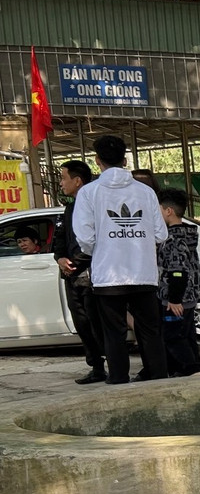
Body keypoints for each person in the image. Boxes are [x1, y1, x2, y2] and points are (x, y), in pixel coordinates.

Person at [72, 134, 169, 384]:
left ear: (97, 160)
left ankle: (117, 378)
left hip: (108, 275)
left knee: (113, 331)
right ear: (125, 160)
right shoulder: (146, 192)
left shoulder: (88, 193)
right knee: (149, 329)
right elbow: (160, 233)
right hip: (143, 272)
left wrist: (105, 248)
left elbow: (84, 236)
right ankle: (157, 376)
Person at [53, 160, 104, 384]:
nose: (61, 183)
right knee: (82, 323)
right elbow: (60, 239)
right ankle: (96, 367)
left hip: (94, 275)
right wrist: (61, 258)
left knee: (98, 323)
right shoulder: (70, 208)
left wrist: (77, 263)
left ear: (77, 180)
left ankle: (113, 363)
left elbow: (96, 243)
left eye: (63, 178)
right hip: (73, 275)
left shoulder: (95, 205)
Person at [156, 188, 200, 377]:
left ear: (169, 211)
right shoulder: (187, 234)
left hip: (176, 299)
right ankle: (192, 367)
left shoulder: (174, 238)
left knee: (173, 336)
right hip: (189, 295)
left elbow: (178, 272)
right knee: (187, 334)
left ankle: (189, 369)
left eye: (158, 209)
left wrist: (174, 299)